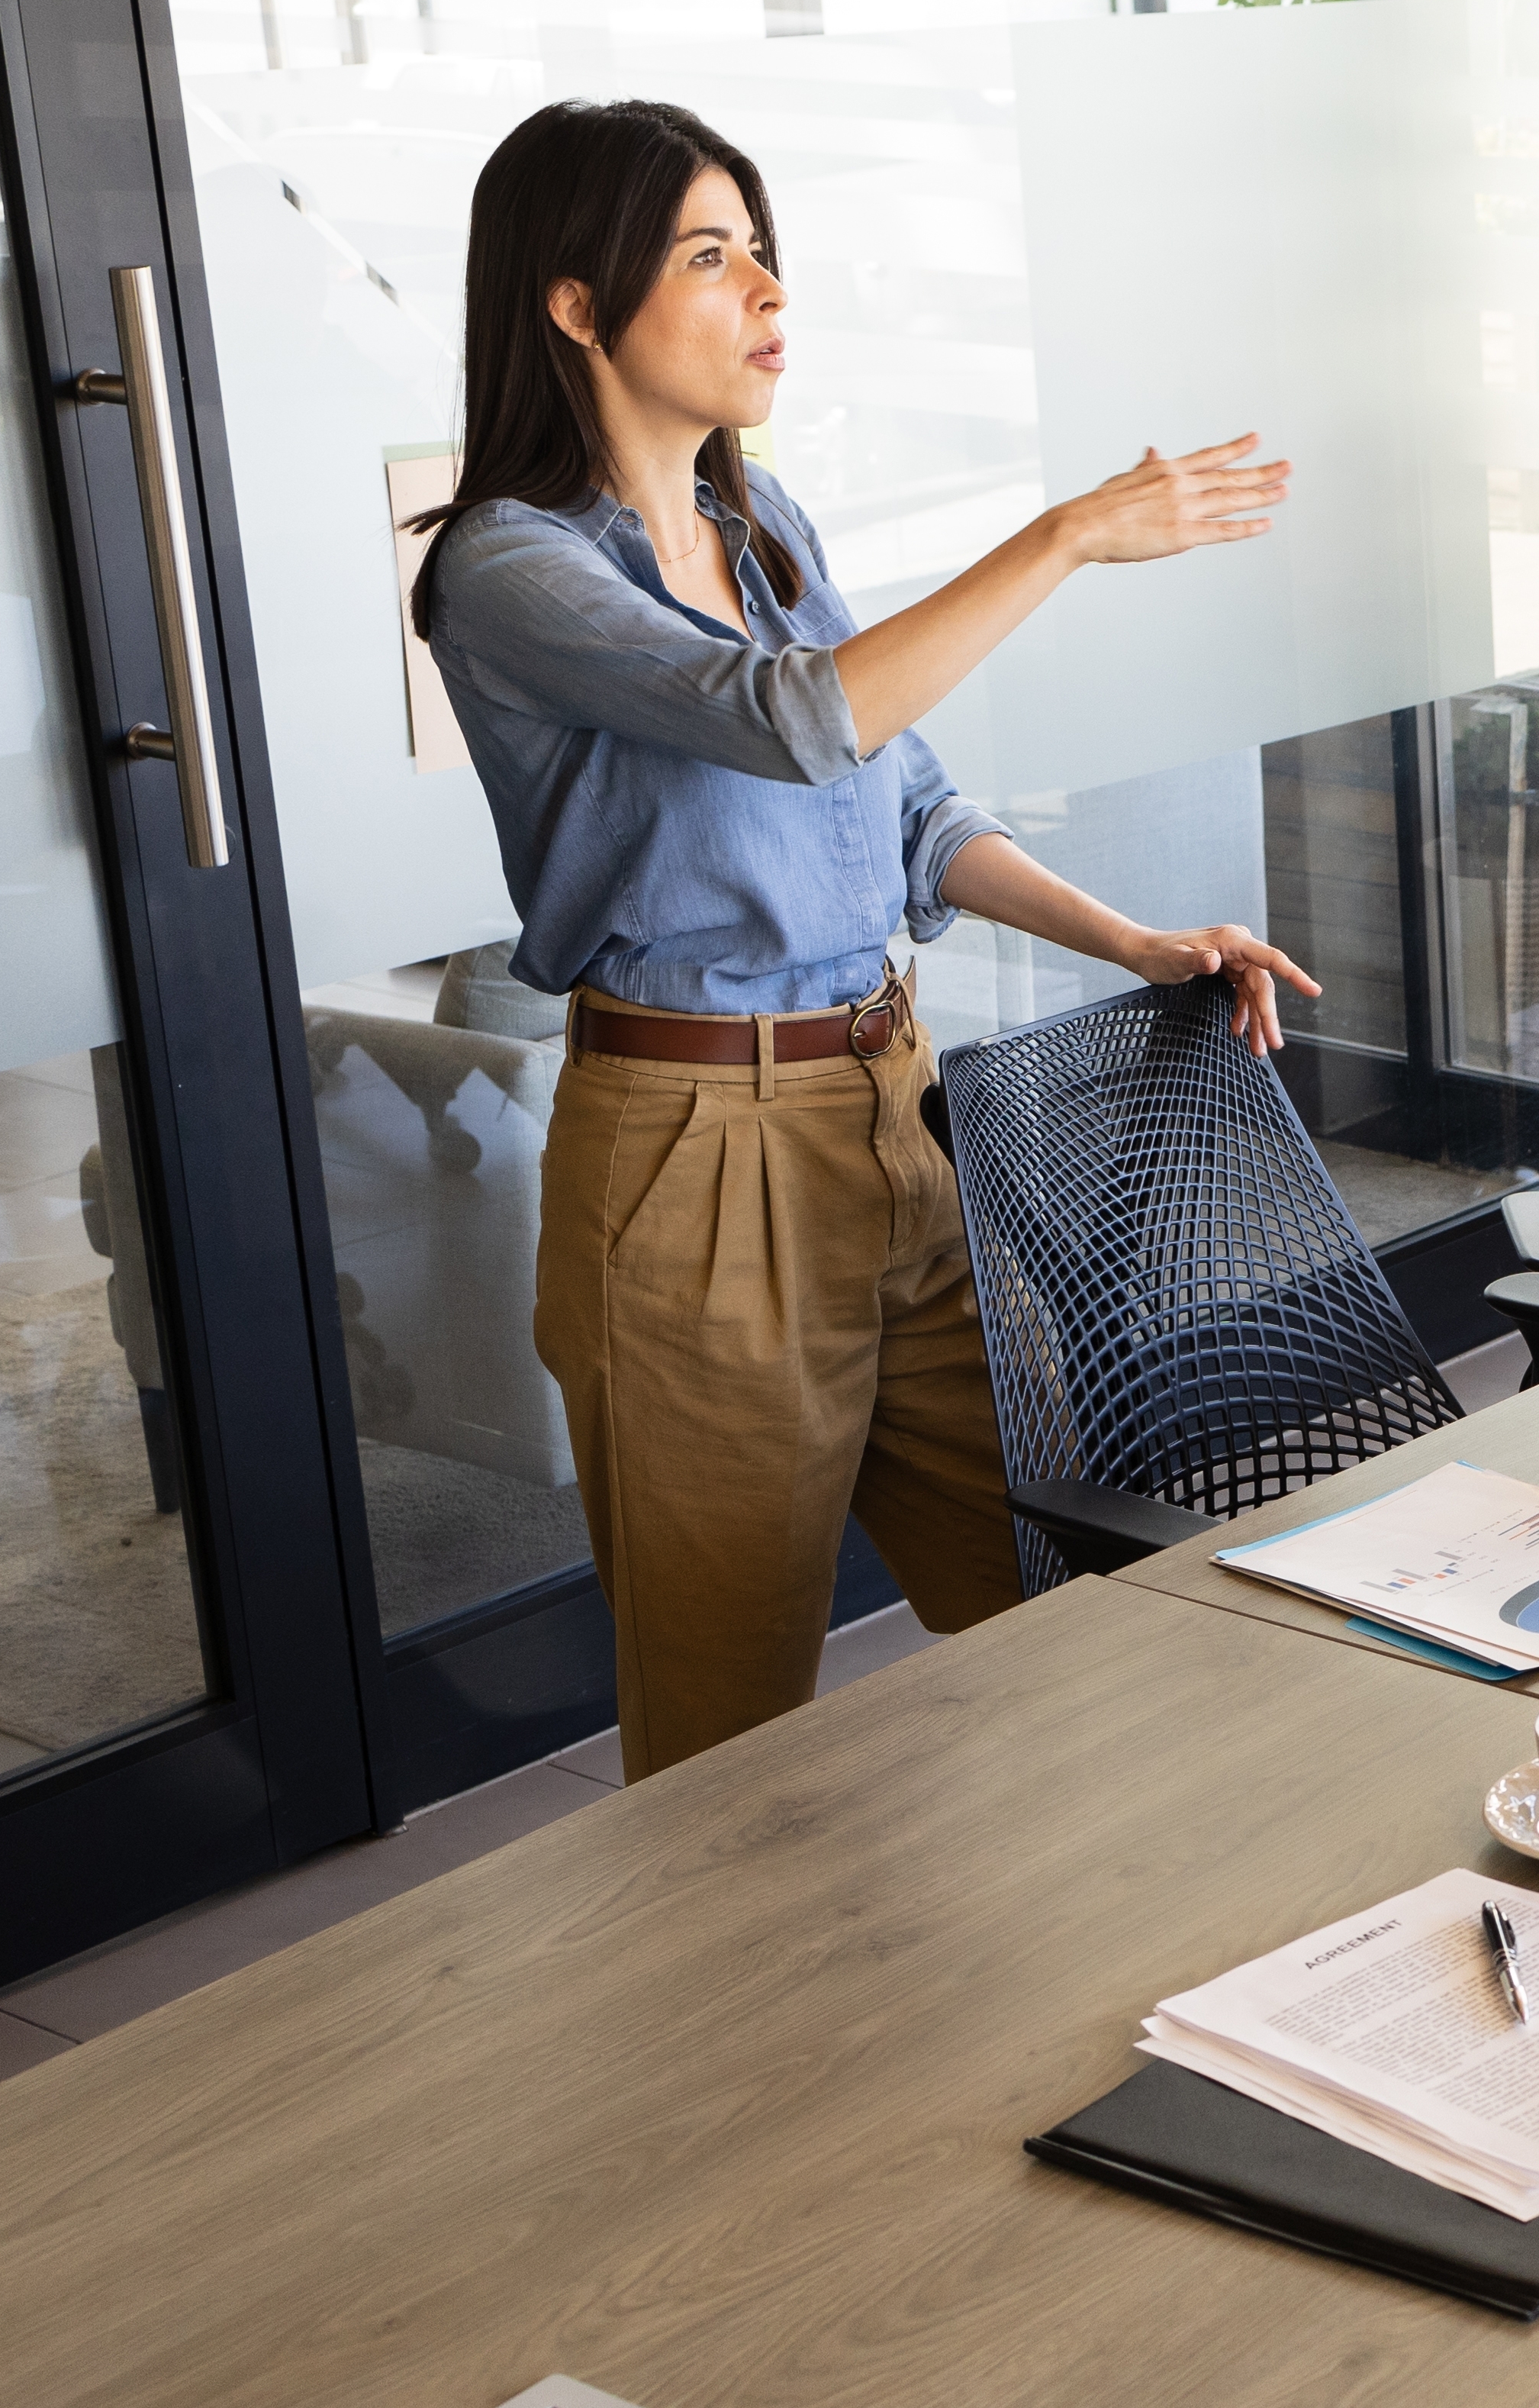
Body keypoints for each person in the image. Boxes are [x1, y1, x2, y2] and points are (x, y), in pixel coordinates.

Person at [411, 98, 1314, 1780]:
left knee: (1072, 1585)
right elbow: (792, 721)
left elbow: (903, 800)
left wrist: (1131, 938)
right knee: (729, 1733)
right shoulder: (509, 568)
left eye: (764, 250)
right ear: (575, 304)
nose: (764, 289)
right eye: (708, 252)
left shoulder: (770, 532)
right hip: (693, 1172)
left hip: (885, 1118)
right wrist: (1066, 535)